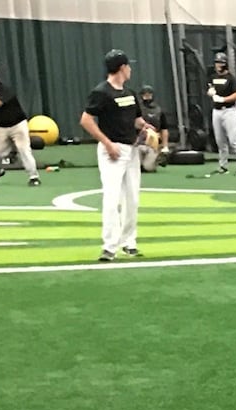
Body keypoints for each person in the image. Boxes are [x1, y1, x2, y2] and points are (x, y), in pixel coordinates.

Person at [79, 49, 153, 263]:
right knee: (112, 198)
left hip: (131, 150)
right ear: (122, 67)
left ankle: (129, 242)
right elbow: (86, 120)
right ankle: (109, 246)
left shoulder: (130, 93)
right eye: (128, 66)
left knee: (133, 198)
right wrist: (107, 143)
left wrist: (145, 127)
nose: (130, 69)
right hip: (113, 150)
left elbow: (136, 120)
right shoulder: (102, 92)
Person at [207, 52, 236, 175]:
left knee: (233, 138)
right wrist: (211, 92)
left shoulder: (231, 78)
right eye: (216, 63)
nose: (217, 65)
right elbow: (210, 87)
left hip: (229, 111)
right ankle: (223, 166)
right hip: (217, 111)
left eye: (220, 63)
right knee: (220, 140)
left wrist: (224, 99)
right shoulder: (213, 77)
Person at [137, 83, 169, 170]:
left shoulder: (159, 110)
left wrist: (165, 146)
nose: (147, 97)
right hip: (138, 143)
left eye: (149, 94)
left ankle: (156, 158)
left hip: (153, 143)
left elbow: (164, 129)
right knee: (135, 167)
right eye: (145, 95)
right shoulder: (137, 109)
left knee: (148, 168)